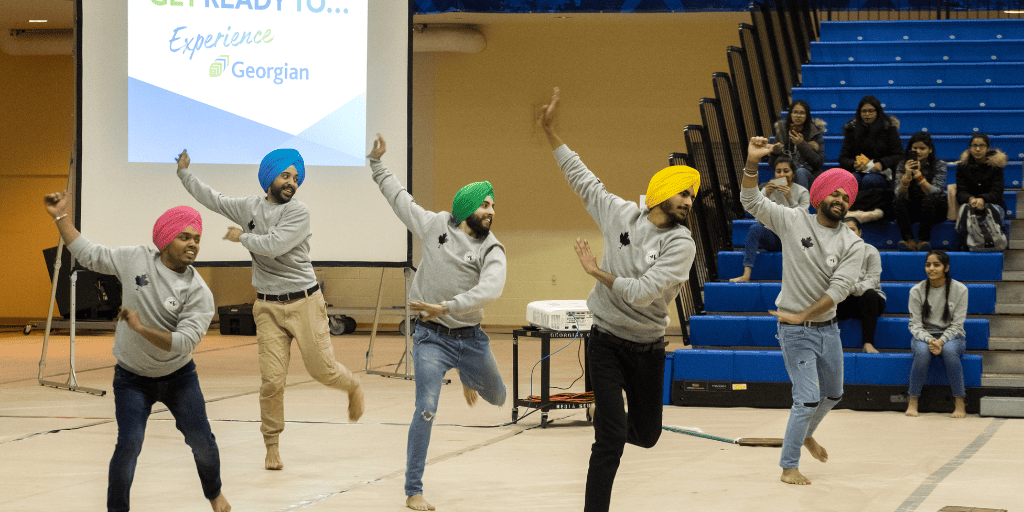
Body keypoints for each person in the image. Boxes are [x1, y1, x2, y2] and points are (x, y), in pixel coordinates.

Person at [541, 87, 696, 511]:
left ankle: (614, 421)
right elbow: (582, 178)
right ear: (662, 191)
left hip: (648, 349)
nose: (688, 203)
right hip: (606, 340)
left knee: (646, 436)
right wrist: (549, 130)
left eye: (692, 198)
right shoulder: (619, 213)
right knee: (609, 440)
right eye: (683, 193)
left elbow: (645, 291)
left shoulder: (682, 244)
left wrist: (597, 273)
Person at [175, 148, 364, 471]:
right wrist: (184, 174)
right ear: (269, 178)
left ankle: (352, 385)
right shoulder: (249, 207)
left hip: (304, 302)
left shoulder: (298, 212)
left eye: (295, 177)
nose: (291, 182)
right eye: (285, 175)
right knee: (272, 381)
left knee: (323, 371)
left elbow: (275, 245)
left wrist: (243, 238)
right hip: (267, 306)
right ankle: (272, 444)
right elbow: (214, 199)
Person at [42, 193, 231, 512]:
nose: (193, 244)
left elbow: (184, 342)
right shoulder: (135, 259)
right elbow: (88, 254)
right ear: (166, 239)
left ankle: (215, 494)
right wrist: (61, 218)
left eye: (197, 238)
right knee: (128, 445)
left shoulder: (199, 292)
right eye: (184, 236)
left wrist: (141, 328)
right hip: (132, 379)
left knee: (202, 442)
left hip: (179, 378)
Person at [367, 135, 507, 512]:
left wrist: (446, 306)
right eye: (484, 202)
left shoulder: (491, 248)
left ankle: (467, 372)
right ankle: (414, 490)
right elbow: (400, 199)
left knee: (499, 398)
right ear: (464, 209)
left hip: (471, 338)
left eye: (493, 204)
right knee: (426, 407)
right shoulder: (436, 226)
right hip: (430, 338)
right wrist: (377, 163)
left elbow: (490, 288)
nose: (491, 209)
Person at [741, 137, 865, 486]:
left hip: (828, 328)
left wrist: (805, 313)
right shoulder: (794, 220)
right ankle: (789, 465)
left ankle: (806, 434)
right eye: (835, 193)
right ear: (819, 196)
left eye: (846, 196)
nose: (840, 199)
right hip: (794, 331)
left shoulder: (853, 243)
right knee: (807, 398)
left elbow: (839, 290)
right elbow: (750, 200)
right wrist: (752, 163)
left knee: (834, 394)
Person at [905, 250, 968, 418]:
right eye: (928, 265)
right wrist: (930, 339)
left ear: (946, 268)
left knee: (949, 351)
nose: (931, 268)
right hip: (925, 335)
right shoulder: (916, 291)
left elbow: (957, 324)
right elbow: (915, 325)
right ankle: (913, 399)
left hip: (953, 336)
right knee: (922, 352)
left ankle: (960, 401)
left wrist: (942, 341)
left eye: (936, 265)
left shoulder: (960, 289)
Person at [730, 156, 810, 283]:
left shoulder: (802, 192)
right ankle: (746, 275)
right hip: (773, 237)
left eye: (786, 171)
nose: (782, 174)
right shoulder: (767, 189)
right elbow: (759, 220)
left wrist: (790, 199)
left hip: (793, 238)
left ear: (793, 173)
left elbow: (803, 220)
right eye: (778, 171)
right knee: (755, 228)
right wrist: (765, 196)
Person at [838, 95, 903, 224]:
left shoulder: (888, 128)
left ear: (878, 112)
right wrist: (854, 164)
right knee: (853, 180)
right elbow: (843, 158)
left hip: (883, 172)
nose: (867, 114)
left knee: (870, 179)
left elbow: (899, 155)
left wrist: (881, 164)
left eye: (871, 111)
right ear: (859, 113)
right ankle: (852, 212)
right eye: (864, 111)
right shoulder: (851, 130)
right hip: (858, 170)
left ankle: (872, 213)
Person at [835, 218, 886, 353]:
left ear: (859, 232)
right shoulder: (832, 253)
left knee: (869, 294)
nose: (849, 232)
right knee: (824, 297)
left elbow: (873, 279)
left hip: (870, 301)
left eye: (852, 229)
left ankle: (868, 343)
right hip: (843, 300)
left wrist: (853, 288)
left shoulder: (871, 251)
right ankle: (823, 345)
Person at [892, 132, 948, 252]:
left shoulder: (939, 165)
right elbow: (898, 193)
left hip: (935, 209)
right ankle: (908, 240)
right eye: (915, 148)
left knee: (929, 199)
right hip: (913, 206)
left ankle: (924, 240)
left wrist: (919, 176)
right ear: (910, 149)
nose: (918, 151)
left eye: (922, 148)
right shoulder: (903, 165)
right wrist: (906, 176)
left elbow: (937, 191)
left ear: (930, 150)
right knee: (898, 201)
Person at [954, 133, 1007, 240]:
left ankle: (995, 241)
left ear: (987, 148)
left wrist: (983, 199)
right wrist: (971, 199)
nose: (978, 149)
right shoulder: (962, 167)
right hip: (970, 204)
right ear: (970, 148)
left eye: (982, 146)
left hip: (994, 205)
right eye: (974, 146)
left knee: (988, 211)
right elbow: (960, 192)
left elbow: (997, 192)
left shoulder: (996, 166)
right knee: (967, 209)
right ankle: (966, 243)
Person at [769, 99, 826, 189]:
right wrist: (774, 153)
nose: (798, 116)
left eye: (802, 113)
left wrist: (802, 144)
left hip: (809, 177)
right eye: (795, 112)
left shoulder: (815, 133)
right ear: (790, 114)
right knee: (767, 187)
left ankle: (801, 202)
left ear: (807, 116)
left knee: (800, 172)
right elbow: (772, 165)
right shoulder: (782, 132)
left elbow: (819, 163)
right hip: (786, 177)